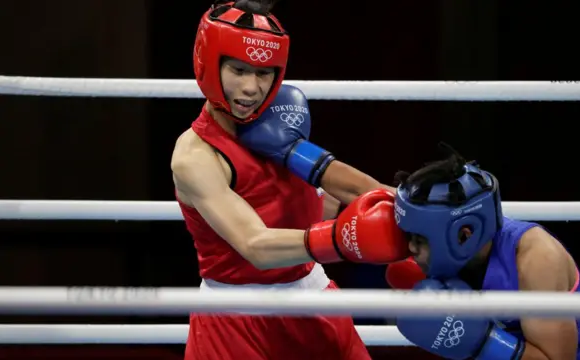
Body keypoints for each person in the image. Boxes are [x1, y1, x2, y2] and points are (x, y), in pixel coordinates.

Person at [171, 1, 409, 359]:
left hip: (311, 297)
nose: (252, 88)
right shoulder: (195, 155)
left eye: (264, 73)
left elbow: (329, 179)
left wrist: (407, 202)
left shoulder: (281, 116)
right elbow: (255, 245)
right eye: (238, 69)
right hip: (235, 321)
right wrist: (342, 240)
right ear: (209, 62)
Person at [385, 143, 580, 360]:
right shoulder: (450, 240)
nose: (411, 248)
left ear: (464, 234)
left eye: (420, 239)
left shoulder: (537, 259)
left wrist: (484, 341)